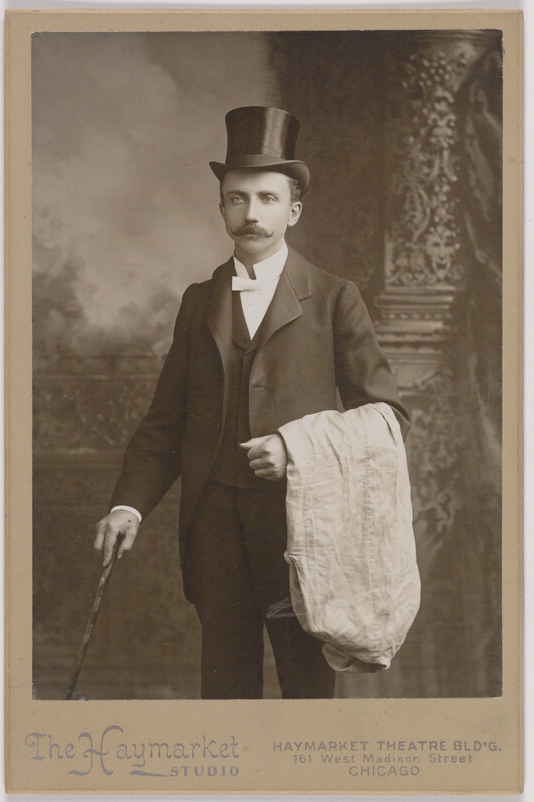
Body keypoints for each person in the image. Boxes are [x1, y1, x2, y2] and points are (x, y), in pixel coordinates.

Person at [94, 106, 409, 699]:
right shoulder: (198, 302)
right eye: (236, 199)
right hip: (214, 532)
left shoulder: (336, 298)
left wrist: (296, 446)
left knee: (307, 694)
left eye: (267, 199)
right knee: (226, 693)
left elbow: (388, 418)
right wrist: (127, 509)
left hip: (303, 534)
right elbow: (166, 424)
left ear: (292, 210)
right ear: (221, 209)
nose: (251, 213)